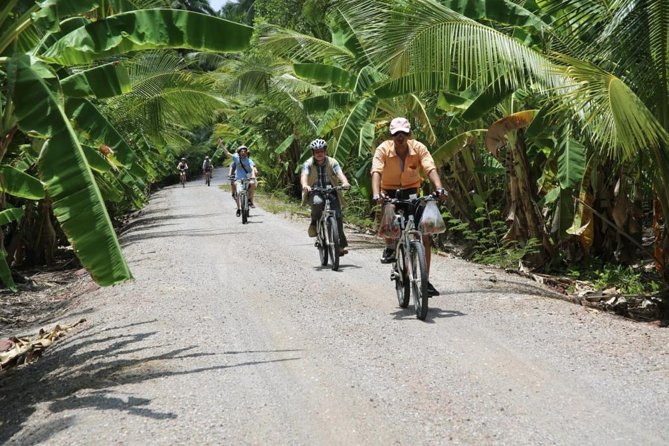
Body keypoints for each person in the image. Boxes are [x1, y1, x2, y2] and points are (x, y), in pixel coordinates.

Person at [371, 117, 446, 296]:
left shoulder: (419, 148)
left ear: (409, 134)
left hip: (412, 193)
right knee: (389, 223)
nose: (400, 137)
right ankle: (390, 248)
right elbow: (376, 171)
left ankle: (425, 280)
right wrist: (376, 193)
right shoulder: (383, 149)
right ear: (391, 135)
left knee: (425, 235)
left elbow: (430, 168)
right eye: (396, 134)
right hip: (388, 192)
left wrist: (439, 188)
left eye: (403, 133)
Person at [301, 138, 351, 256]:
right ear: (313, 153)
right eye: (317, 151)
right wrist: (305, 185)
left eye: (321, 151)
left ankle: (340, 246)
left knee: (338, 217)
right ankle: (314, 222)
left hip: (331, 190)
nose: (319, 153)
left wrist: (345, 183)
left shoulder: (332, 162)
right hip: (315, 190)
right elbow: (304, 175)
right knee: (317, 203)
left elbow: (339, 173)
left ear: (325, 151)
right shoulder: (308, 163)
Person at [228, 145, 257, 217]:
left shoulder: (249, 160)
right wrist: (230, 175)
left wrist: (253, 174)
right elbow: (231, 169)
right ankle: (238, 208)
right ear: (239, 153)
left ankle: (250, 200)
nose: (243, 153)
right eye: (242, 151)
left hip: (247, 178)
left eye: (245, 152)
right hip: (236, 178)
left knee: (253, 183)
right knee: (235, 191)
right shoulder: (235, 160)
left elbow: (253, 168)